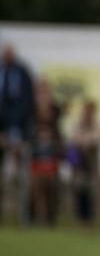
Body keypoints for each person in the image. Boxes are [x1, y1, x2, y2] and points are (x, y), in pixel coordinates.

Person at [0, 45, 34, 224]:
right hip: (2, 132)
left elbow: (26, 104)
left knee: (22, 177)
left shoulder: (21, 73)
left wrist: (19, 133)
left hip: (19, 133)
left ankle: (24, 217)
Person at [68, 99, 100, 226]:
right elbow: (74, 138)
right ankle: (80, 219)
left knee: (91, 193)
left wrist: (87, 141)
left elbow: (98, 137)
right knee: (79, 191)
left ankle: (90, 219)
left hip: (92, 164)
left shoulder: (97, 124)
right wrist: (84, 142)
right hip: (79, 165)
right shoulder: (77, 123)